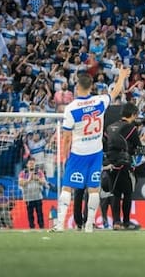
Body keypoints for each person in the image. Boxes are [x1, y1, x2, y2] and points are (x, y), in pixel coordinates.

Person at [52, 68, 129, 232]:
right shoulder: (99, 101)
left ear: (77, 88)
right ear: (91, 87)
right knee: (94, 189)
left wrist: (65, 156)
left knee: (67, 187)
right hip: (96, 152)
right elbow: (114, 92)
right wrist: (121, 77)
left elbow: (66, 138)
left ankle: (59, 225)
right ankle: (89, 225)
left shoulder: (71, 108)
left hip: (78, 152)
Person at [103, 101, 141, 230]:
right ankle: (126, 222)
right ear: (133, 114)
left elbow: (104, 144)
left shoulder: (109, 127)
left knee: (115, 192)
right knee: (128, 192)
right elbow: (137, 146)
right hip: (123, 163)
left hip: (109, 163)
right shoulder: (131, 128)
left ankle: (116, 222)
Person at [18, 157, 48, 229]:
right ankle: (32, 228)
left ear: (35, 164)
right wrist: (28, 180)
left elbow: (44, 182)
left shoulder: (39, 172)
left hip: (38, 196)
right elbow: (20, 183)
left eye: (33, 163)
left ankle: (41, 227)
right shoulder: (23, 173)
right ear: (27, 165)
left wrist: (37, 178)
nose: (31, 165)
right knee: (30, 214)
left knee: (40, 213)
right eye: (30, 163)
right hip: (28, 197)